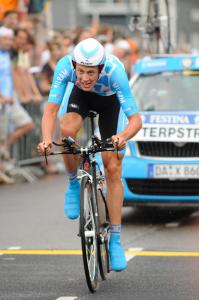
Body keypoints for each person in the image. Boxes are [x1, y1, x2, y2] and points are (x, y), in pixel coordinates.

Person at [37, 38, 142, 272]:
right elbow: (51, 110)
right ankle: (73, 182)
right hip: (80, 99)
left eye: (91, 73)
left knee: (113, 167)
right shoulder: (65, 66)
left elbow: (136, 120)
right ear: (75, 66)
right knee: (66, 131)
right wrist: (45, 139)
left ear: (101, 69)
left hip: (110, 105)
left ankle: (115, 239)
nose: (85, 77)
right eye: (81, 71)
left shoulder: (115, 73)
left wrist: (122, 136)